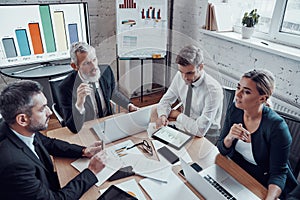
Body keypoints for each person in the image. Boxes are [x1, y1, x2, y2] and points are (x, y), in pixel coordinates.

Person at [0, 80, 106, 199]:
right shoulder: (15, 165)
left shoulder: (14, 127)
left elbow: (47, 143)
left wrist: (83, 151)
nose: (50, 112)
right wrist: (91, 172)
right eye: (42, 109)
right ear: (22, 120)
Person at [217, 69, 298, 199]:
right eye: (238, 87)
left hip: (262, 183)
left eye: (246, 92)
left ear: (262, 98)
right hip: (237, 172)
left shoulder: (277, 127)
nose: (238, 94)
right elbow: (221, 149)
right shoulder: (235, 109)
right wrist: (230, 137)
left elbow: (278, 174)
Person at [59, 42, 138, 133]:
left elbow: (113, 93)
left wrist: (129, 105)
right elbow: (74, 128)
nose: (94, 67)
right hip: (86, 130)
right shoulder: (65, 88)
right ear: (75, 66)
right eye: (87, 63)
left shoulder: (106, 71)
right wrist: (79, 104)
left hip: (107, 124)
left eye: (94, 59)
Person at [151, 45, 223, 142]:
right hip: (185, 125)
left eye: (190, 73)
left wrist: (177, 115)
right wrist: (163, 115)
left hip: (207, 135)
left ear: (201, 67)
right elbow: (165, 101)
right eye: (181, 72)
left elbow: (200, 131)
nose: (184, 77)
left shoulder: (213, 90)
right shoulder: (180, 75)